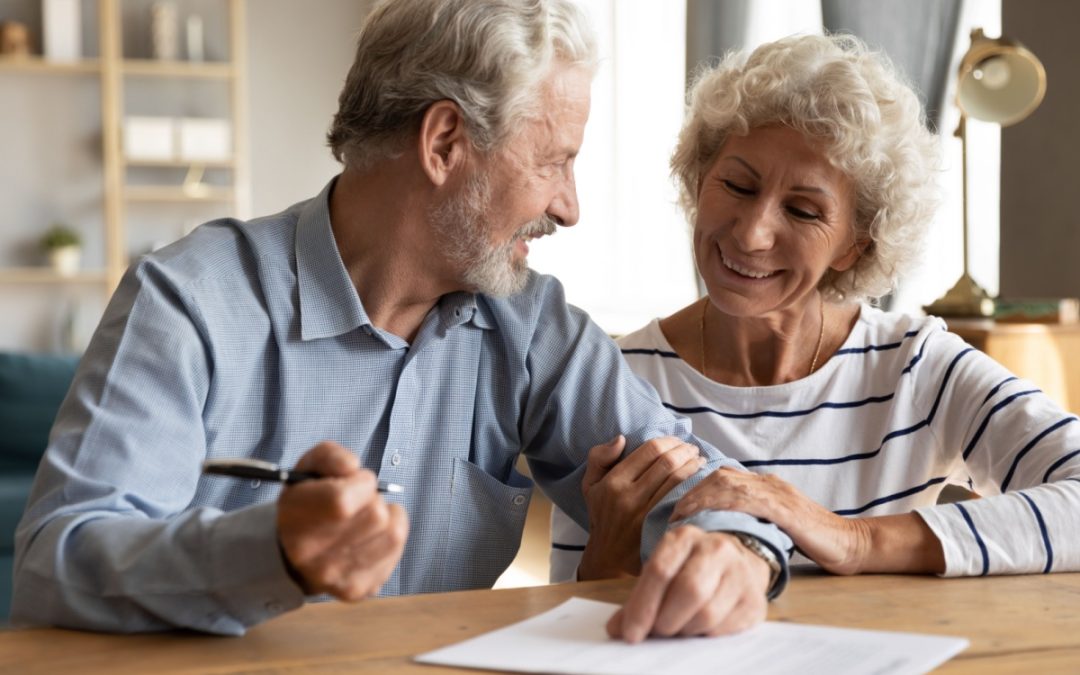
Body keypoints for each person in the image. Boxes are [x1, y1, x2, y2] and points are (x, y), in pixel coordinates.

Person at [13, 0, 792, 639]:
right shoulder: (189, 301)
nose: (570, 206)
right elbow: (57, 561)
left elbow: (699, 479)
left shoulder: (529, 323)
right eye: (553, 160)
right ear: (445, 140)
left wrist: (739, 551)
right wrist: (272, 551)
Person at [551, 33, 1080, 583]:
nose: (752, 234)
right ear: (699, 177)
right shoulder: (612, 379)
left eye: (803, 212)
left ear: (856, 243)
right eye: (736, 184)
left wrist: (854, 539)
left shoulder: (915, 368)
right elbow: (565, 641)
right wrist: (610, 557)